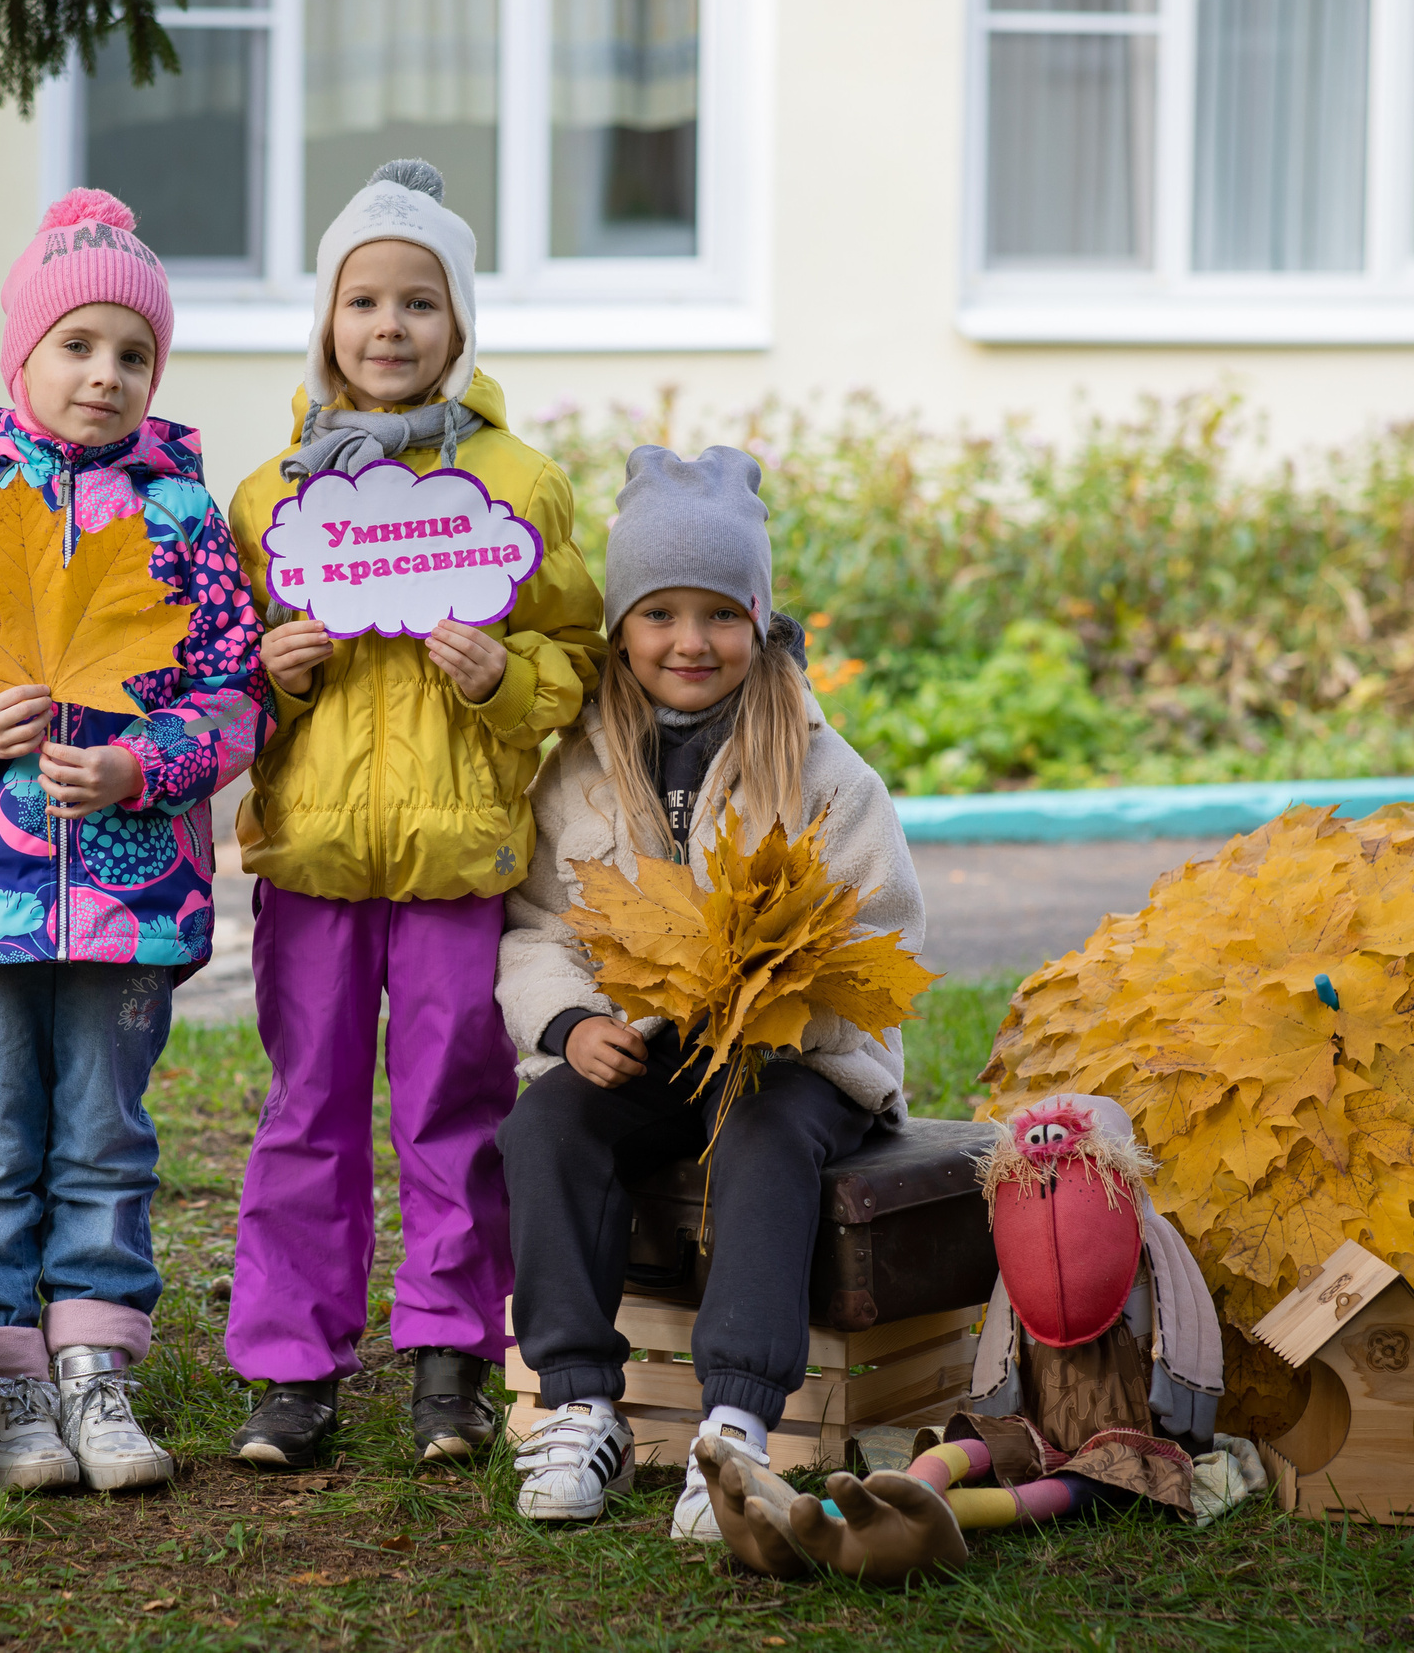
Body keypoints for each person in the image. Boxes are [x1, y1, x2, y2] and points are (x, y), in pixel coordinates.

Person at [0, 189, 268, 1494]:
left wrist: (146, 760)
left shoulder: (182, 521)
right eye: (78, 344)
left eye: (133, 353)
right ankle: (3, 1371)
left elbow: (235, 694)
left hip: (133, 900)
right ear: (21, 355)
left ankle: (95, 1360)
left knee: (106, 1133)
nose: (105, 375)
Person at [221, 160, 607, 1468]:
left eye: (420, 303)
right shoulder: (270, 497)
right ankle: (292, 1364)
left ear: (461, 323)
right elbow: (207, 676)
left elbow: (578, 656)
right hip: (314, 858)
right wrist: (260, 677)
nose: (390, 327)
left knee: (456, 1104)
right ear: (328, 321)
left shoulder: (520, 485)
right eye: (365, 301)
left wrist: (510, 681)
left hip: (458, 860)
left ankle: (449, 1348)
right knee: (305, 1106)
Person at [491, 443, 926, 1538]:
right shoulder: (581, 769)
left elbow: (878, 928)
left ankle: (733, 1428)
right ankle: (579, 1402)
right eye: (660, 615)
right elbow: (541, 923)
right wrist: (572, 1022)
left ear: (760, 623)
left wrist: (784, 1006)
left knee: (763, 1139)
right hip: (648, 1047)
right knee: (547, 1126)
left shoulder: (825, 772)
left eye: (720, 615)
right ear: (623, 631)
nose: (691, 642)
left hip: (797, 1057)